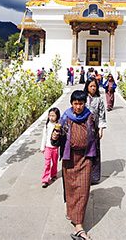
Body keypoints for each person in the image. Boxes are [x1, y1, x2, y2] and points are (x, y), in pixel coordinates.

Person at [57, 90, 97, 240]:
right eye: (75, 104)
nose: (78, 107)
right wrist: (55, 136)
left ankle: (78, 224)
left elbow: (95, 137)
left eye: (81, 103)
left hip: (85, 157)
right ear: (71, 104)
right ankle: (72, 212)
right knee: (71, 188)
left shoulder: (90, 116)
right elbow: (56, 139)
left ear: (84, 103)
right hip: (70, 157)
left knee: (84, 189)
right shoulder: (66, 117)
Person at [84, 78, 106, 184]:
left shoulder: (99, 99)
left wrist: (101, 129)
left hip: (95, 129)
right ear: (87, 87)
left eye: (94, 86)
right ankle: (84, 175)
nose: (93, 88)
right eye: (91, 86)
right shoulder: (83, 98)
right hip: (83, 129)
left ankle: (94, 176)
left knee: (95, 152)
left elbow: (102, 115)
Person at [40, 107, 61, 187]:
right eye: (50, 115)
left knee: (55, 162)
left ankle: (53, 174)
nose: (51, 117)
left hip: (55, 147)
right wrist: (42, 147)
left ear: (57, 116)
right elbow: (44, 136)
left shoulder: (58, 125)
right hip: (48, 147)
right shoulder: (47, 126)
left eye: (53, 116)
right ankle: (45, 180)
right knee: (47, 163)